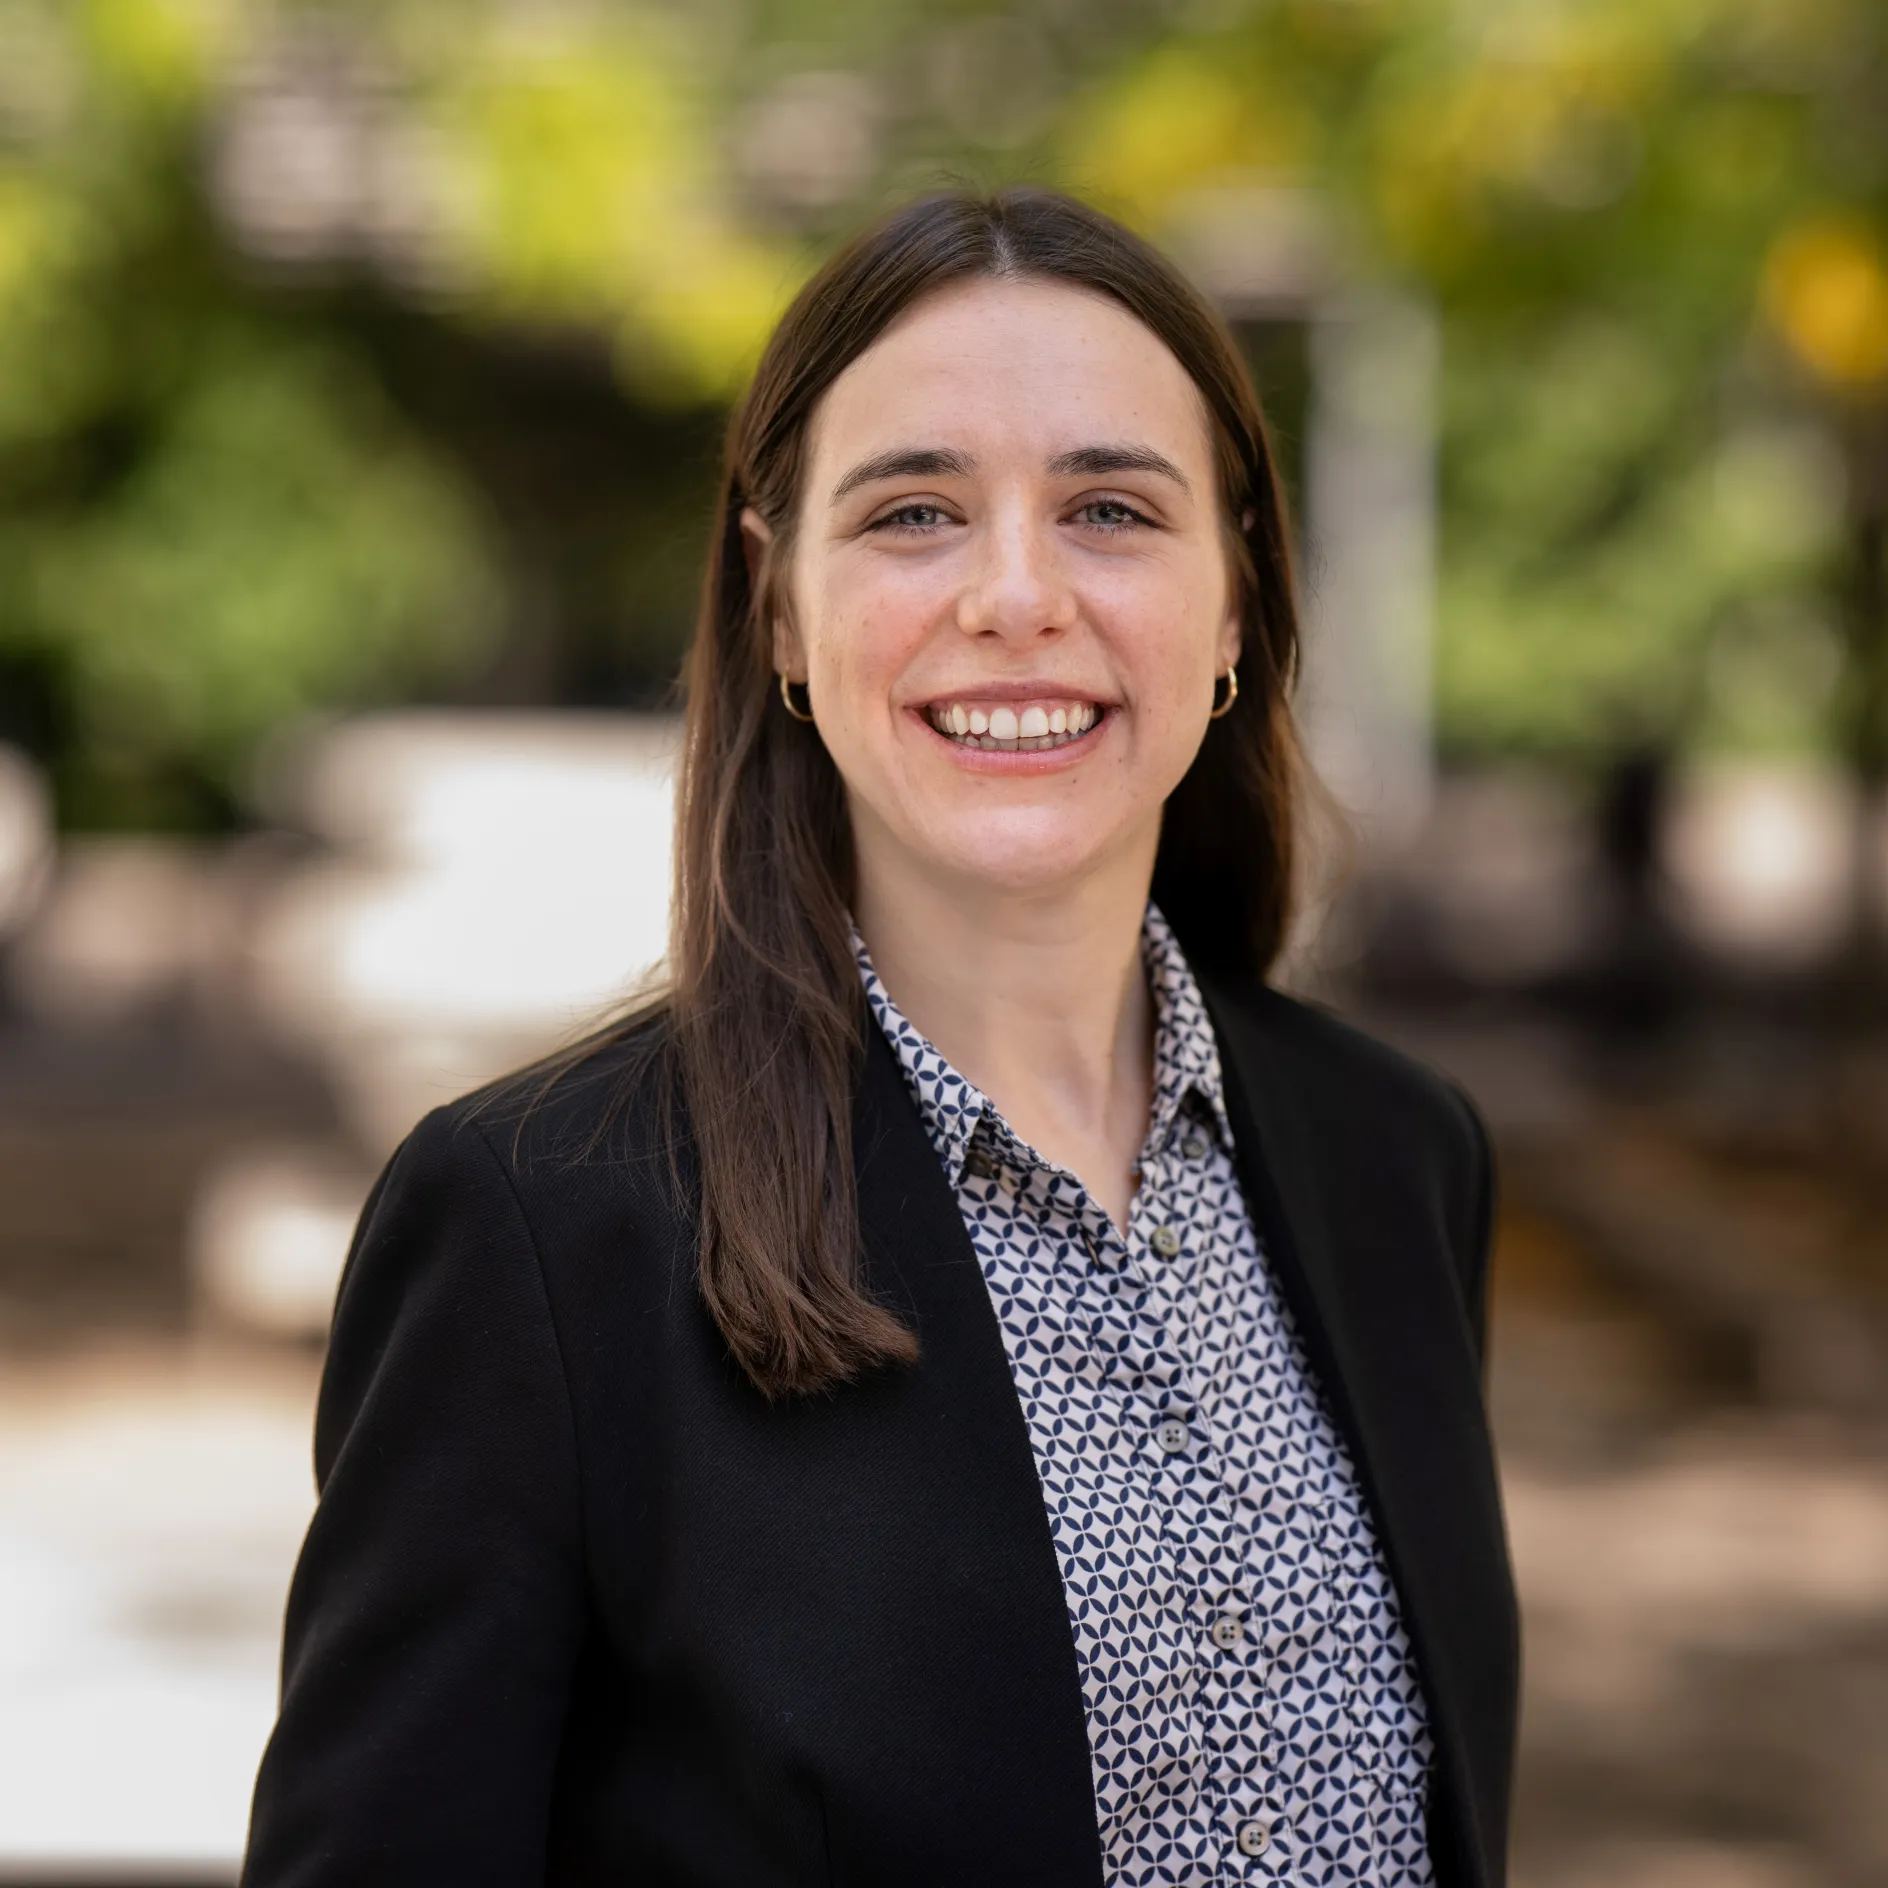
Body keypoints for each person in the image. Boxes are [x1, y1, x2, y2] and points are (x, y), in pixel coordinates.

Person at [241, 187, 1516, 1888]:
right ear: (778, 605)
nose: (1015, 593)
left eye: (1112, 510)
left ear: (1232, 606)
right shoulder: (539, 1229)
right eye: (914, 511)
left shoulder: (1397, 1160)